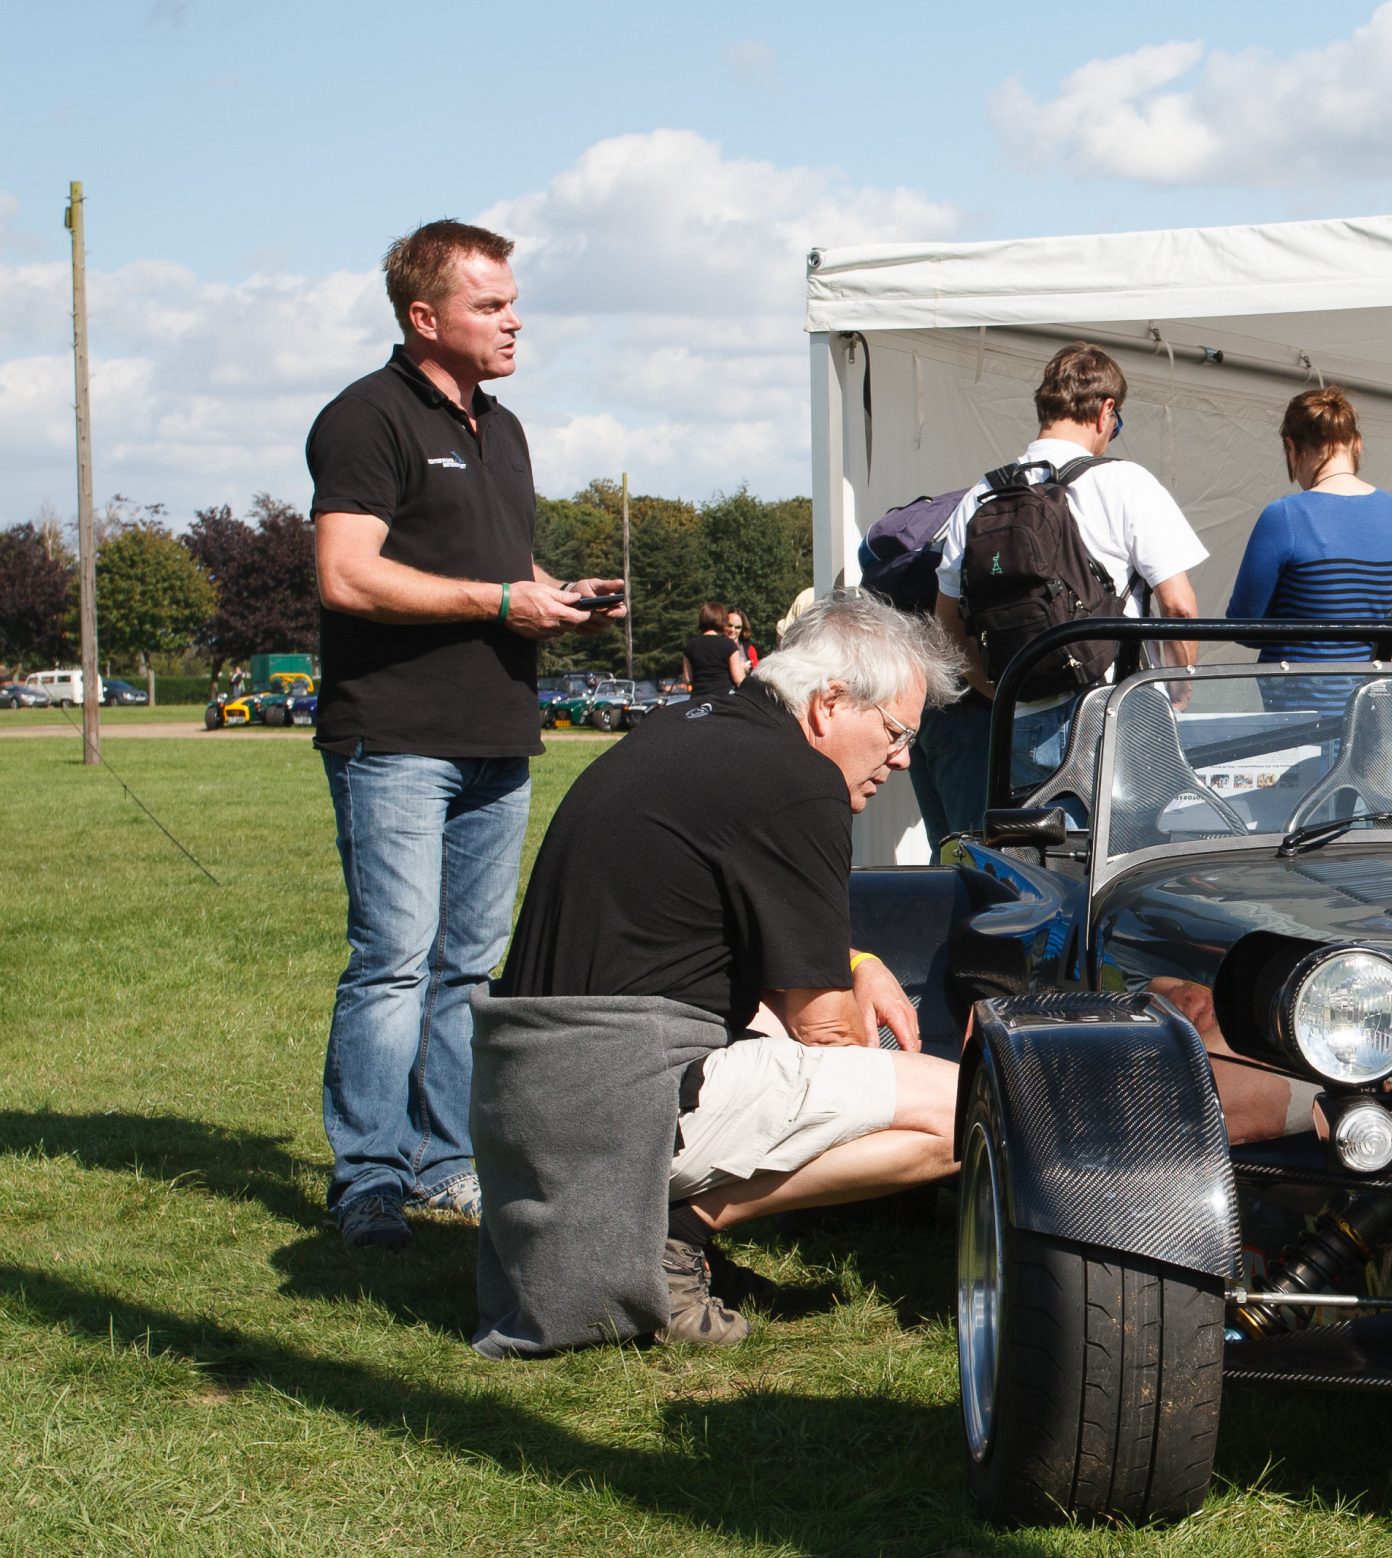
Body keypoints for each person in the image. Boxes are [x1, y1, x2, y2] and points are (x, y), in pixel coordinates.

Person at [491, 595, 965, 1345]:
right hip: (613, 1105)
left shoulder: (688, 727)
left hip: (538, 1095)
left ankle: (674, 1230)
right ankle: (675, 1234)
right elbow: (827, 1031)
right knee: (970, 1107)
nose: (903, 759)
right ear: (829, 703)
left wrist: (859, 959)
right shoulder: (797, 780)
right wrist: (917, 1059)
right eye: (896, 732)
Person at [306, 217, 624, 1251]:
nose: (513, 319)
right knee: (394, 961)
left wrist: (554, 595)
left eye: (511, 300)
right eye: (489, 304)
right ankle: (369, 1178)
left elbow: (495, 571)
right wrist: (499, 603)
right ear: (424, 316)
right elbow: (347, 574)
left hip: (498, 732)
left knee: (471, 969)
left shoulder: (507, 426)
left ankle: (447, 1164)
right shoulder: (364, 419)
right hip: (395, 737)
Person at [927, 342, 1208, 827]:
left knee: (1049, 868)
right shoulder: (1125, 483)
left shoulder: (980, 496)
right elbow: (1178, 607)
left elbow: (946, 629)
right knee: (1120, 873)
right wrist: (1178, 685)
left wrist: (999, 690)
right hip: (1115, 713)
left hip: (1019, 723)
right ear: (1105, 411)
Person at [1226, 387, 1392, 678]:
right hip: (1364, 704)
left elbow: (1245, 628)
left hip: (1293, 705)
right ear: (1357, 444)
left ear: (1293, 448)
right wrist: (1389, 603)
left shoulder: (1285, 516)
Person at [681, 602, 745, 694]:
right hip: (723, 699)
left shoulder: (690, 645)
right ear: (722, 620)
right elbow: (738, 680)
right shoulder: (729, 645)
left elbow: (687, 678)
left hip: (699, 698)